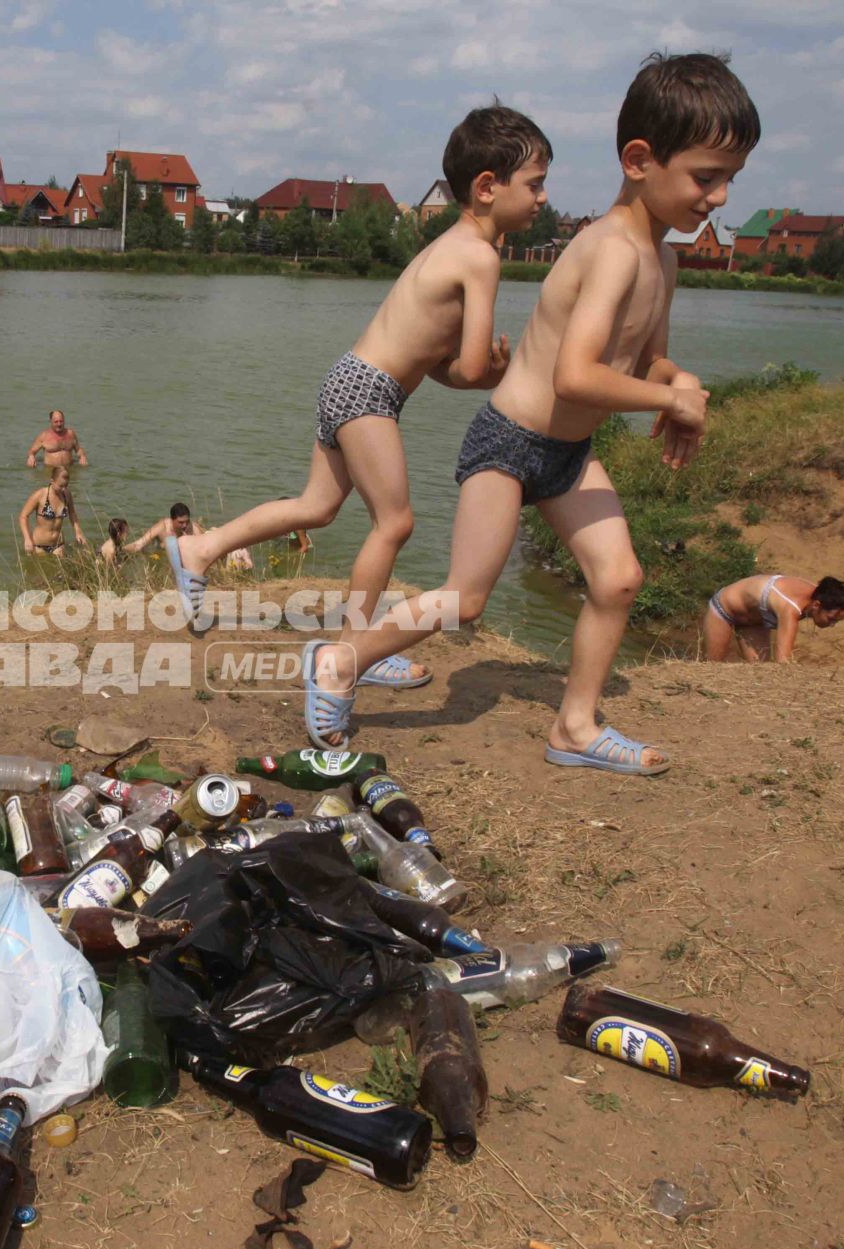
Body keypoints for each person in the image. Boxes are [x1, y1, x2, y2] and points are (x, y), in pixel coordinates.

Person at [303, 52, 758, 775]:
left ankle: (574, 728)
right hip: (509, 444)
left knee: (618, 580)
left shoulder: (662, 261)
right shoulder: (607, 249)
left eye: (730, 178)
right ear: (639, 160)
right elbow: (577, 377)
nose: (720, 198)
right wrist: (666, 399)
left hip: (568, 453)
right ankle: (338, 659)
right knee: (465, 598)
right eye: (706, 176)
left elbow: (642, 364)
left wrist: (679, 381)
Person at [166, 104, 548, 681]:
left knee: (316, 506)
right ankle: (355, 650)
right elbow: (468, 370)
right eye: (536, 184)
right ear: (488, 187)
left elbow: (434, 362)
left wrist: (472, 370)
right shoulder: (480, 257)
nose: (543, 198)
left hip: (352, 378)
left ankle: (201, 549)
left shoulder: (450, 243)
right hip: (369, 392)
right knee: (394, 523)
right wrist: (495, 372)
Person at [703, 574, 844, 663]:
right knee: (712, 666)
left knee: (761, 672)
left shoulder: (821, 595)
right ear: (816, 605)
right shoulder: (791, 608)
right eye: (831, 619)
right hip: (724, 609)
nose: (832, 625)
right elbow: (783, 662)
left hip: (754, 623)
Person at [18, 466, 85, 555]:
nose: (63, 489)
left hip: (58, 545)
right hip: (39, 545)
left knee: (60, 568)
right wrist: (27, 539)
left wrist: (78, 532)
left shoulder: (67, 494)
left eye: (66, 485)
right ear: (52, 481)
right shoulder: (40, 495)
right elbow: (23, 516)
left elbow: (72, 514)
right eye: (61, 486)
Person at [127, 503, 195, 553]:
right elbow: (138, 545)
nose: (185, 525)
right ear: (172, 520)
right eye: (181, 522)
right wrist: (120, 550)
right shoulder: (162, 527)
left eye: (187, 521)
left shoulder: (193, 528)